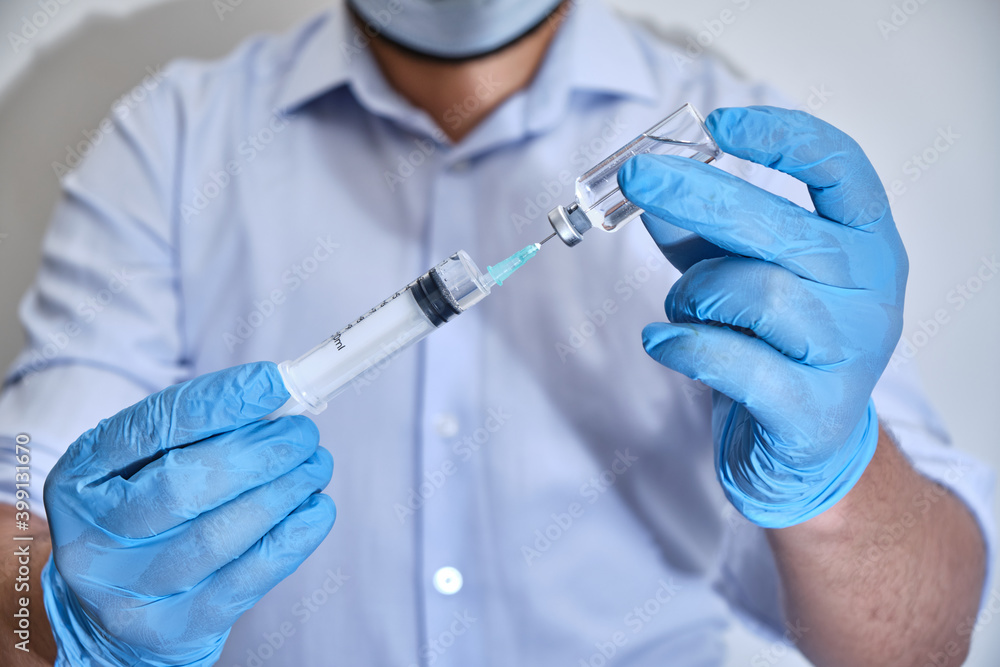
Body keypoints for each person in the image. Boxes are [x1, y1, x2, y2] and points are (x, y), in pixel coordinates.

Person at [0, 0, 994, 665]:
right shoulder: (175, 140)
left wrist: (833, 473)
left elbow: (919, 640)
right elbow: (18, 506)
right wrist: (54, 616)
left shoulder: (734, 151)